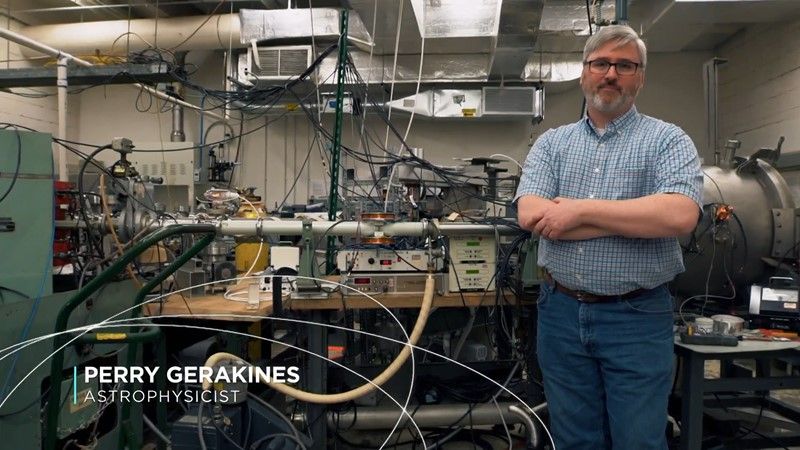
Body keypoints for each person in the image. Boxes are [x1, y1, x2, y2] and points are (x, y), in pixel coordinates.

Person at [514, 25, 703, 450]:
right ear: (584, 73)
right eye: (600, 63)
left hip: (635, 316)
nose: (611, 74)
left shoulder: (667, 140)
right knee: (574, 439)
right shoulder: (552, 144)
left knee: (638, 440)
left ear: (641, 76)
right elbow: (531, 213)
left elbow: (679, 214)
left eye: (624, 65)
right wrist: (635, 214)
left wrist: (579, 211)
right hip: (560, 313)